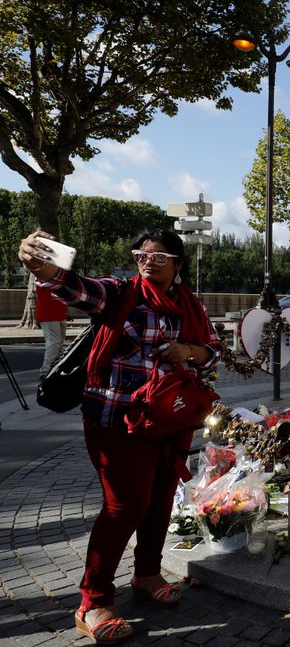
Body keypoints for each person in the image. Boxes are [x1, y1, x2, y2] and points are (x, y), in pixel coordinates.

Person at [19, 228, 221, 644]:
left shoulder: (190, 305)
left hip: (172, 419)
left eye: (159, 256)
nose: (148, 261)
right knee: (125, 506)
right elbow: (76, 288)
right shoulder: (119, 293)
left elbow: (213, 349)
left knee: (162, 497)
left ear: (178, 264)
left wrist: (186, 351)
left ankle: (146, 574)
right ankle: (93, 600)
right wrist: (43, 267)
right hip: (117, 418)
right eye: (141, 255)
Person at [36, 282, 68, 377]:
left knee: (60, 344)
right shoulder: (43, 274)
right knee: (54, 343)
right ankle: (45, 371)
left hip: (60, 313)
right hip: (48, 314)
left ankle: (56, 369)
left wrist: (65, 311)